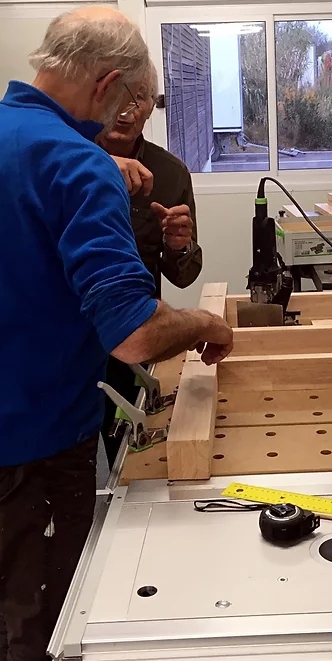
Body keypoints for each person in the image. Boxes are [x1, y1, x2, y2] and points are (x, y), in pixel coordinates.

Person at [0, 5, 233, 661]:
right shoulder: (77, 164)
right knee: (53, 627)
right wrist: (205, 322)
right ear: (107, 83)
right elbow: (134, 334)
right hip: (38, 437)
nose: (123, 120)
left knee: (21, 596)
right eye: (129, 102)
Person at [96, 60, 203, 468]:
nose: (127, 110)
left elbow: (184, 274)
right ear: (97, 97)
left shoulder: (170, 172)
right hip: (64, 339)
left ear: (152, 105)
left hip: (133, 334)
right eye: (118, 96)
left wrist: (179, 245)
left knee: (127, 452)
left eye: (139, 97)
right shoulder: (62, 161)